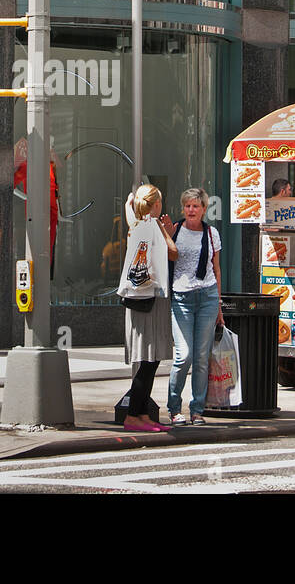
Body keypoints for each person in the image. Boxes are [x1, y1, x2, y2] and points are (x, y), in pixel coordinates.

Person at [116, 184, 177, 433]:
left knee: (148, 360)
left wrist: (132, 202)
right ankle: (134, 415)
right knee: (149, 361)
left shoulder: (136, 224)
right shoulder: (152, 226)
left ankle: (140, 414)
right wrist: (166, 230)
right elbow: (173, 253)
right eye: (159, 201)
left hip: (139, 299)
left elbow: (130, 204)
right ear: (156, 205)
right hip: (151, 299)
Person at [159, 188, 223, 426]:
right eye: (187, 206)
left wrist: (219, 305)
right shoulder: (175, 230)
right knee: (183, 355)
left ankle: (197, 409)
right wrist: (166, 235)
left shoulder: (211, 233)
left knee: (201, 357)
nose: (191, 210)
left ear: (204, 209)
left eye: (196, 206)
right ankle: (174, 408)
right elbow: (164, 258)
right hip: (182, 297)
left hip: (206, 295)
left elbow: (216, 269)